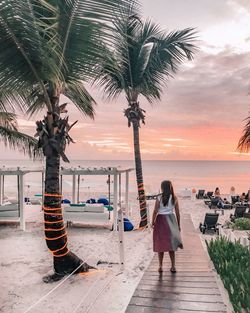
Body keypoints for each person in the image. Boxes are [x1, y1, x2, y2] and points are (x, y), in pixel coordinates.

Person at [152, 180, 183, 274]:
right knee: (171, 244)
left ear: (162, 188)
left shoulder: (159, 197)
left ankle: (160, 266)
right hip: (171, 220)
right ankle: (173, 266)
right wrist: (178, 225)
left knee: (160, 244)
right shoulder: (174, 198)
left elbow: (155, 211)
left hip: (160, 220)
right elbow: (177, 212)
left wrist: (152, 222)